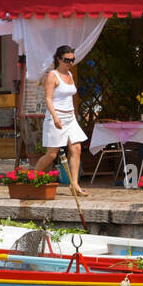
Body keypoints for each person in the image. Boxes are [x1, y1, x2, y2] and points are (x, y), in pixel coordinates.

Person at [34, 45, 89, 196]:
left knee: (76, 149)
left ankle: (74, 184)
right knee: (52, 154)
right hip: (56, 116)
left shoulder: (70, 74)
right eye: (67, 60)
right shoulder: (53, 75)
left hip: (70, 117)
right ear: (58, 59)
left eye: (72, 60)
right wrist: (55, 117)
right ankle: (32, 177)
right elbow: (48, 99)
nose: (70, 63)